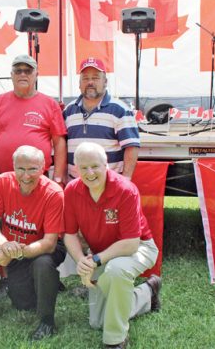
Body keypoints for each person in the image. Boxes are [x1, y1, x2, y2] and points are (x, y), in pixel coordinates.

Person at [63, 142, 161, 349]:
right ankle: (147, 293)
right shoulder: (71, 190)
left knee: (116, 272)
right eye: (83, 168)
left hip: (139, 247)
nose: (90, 173)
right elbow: (69, 234)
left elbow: (131, 243)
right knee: (97, 321)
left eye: (95, 166)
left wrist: (95, 261)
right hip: (100, 254)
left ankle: (116, 339)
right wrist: (81, 261)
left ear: (106, 164)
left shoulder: (125, 190)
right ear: (76, 168)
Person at [0, 145, 66, 341]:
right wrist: (4, 244)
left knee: (42, 264)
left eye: (33, 169)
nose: (26, 175)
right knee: (23, 303)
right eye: (21, 168)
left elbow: (49, 243)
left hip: (44, 248)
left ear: (44, 167)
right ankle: (49, 283)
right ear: (13, 166)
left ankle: (47, 322)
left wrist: (14, 253)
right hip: (14, 247)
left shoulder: (54, 193)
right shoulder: (3, 181)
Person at [0, 54, 67, 198]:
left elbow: (59, 143)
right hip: (2, 180)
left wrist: (57, 178)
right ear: (11, 75)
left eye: (28, 71)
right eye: (18, 71)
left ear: (36, 75)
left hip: (37, 181)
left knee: (35, 220)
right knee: (1, 220)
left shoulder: (50, 104)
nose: (22, 74)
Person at [64, 57, 139, 180]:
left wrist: (126, 179)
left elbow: (131, 147)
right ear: (79, 83)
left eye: (95, 78)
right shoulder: (69, 111)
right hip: (76, 185)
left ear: (105, 81)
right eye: (85, 78)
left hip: (109, 185)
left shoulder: (120, 110)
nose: (90, 82)